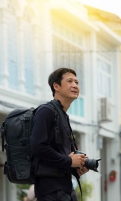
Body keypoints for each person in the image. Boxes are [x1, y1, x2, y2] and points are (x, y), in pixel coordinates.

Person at [30, 68, 89, 201]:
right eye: (69, 81)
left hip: (65, 188)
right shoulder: (46, 111)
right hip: (50, 191)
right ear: (56, 86)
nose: (75, 85)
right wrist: (69, 161)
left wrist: (77, 166)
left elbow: (61, 154)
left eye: (77, 82)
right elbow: (38, 147)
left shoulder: (63, 115)